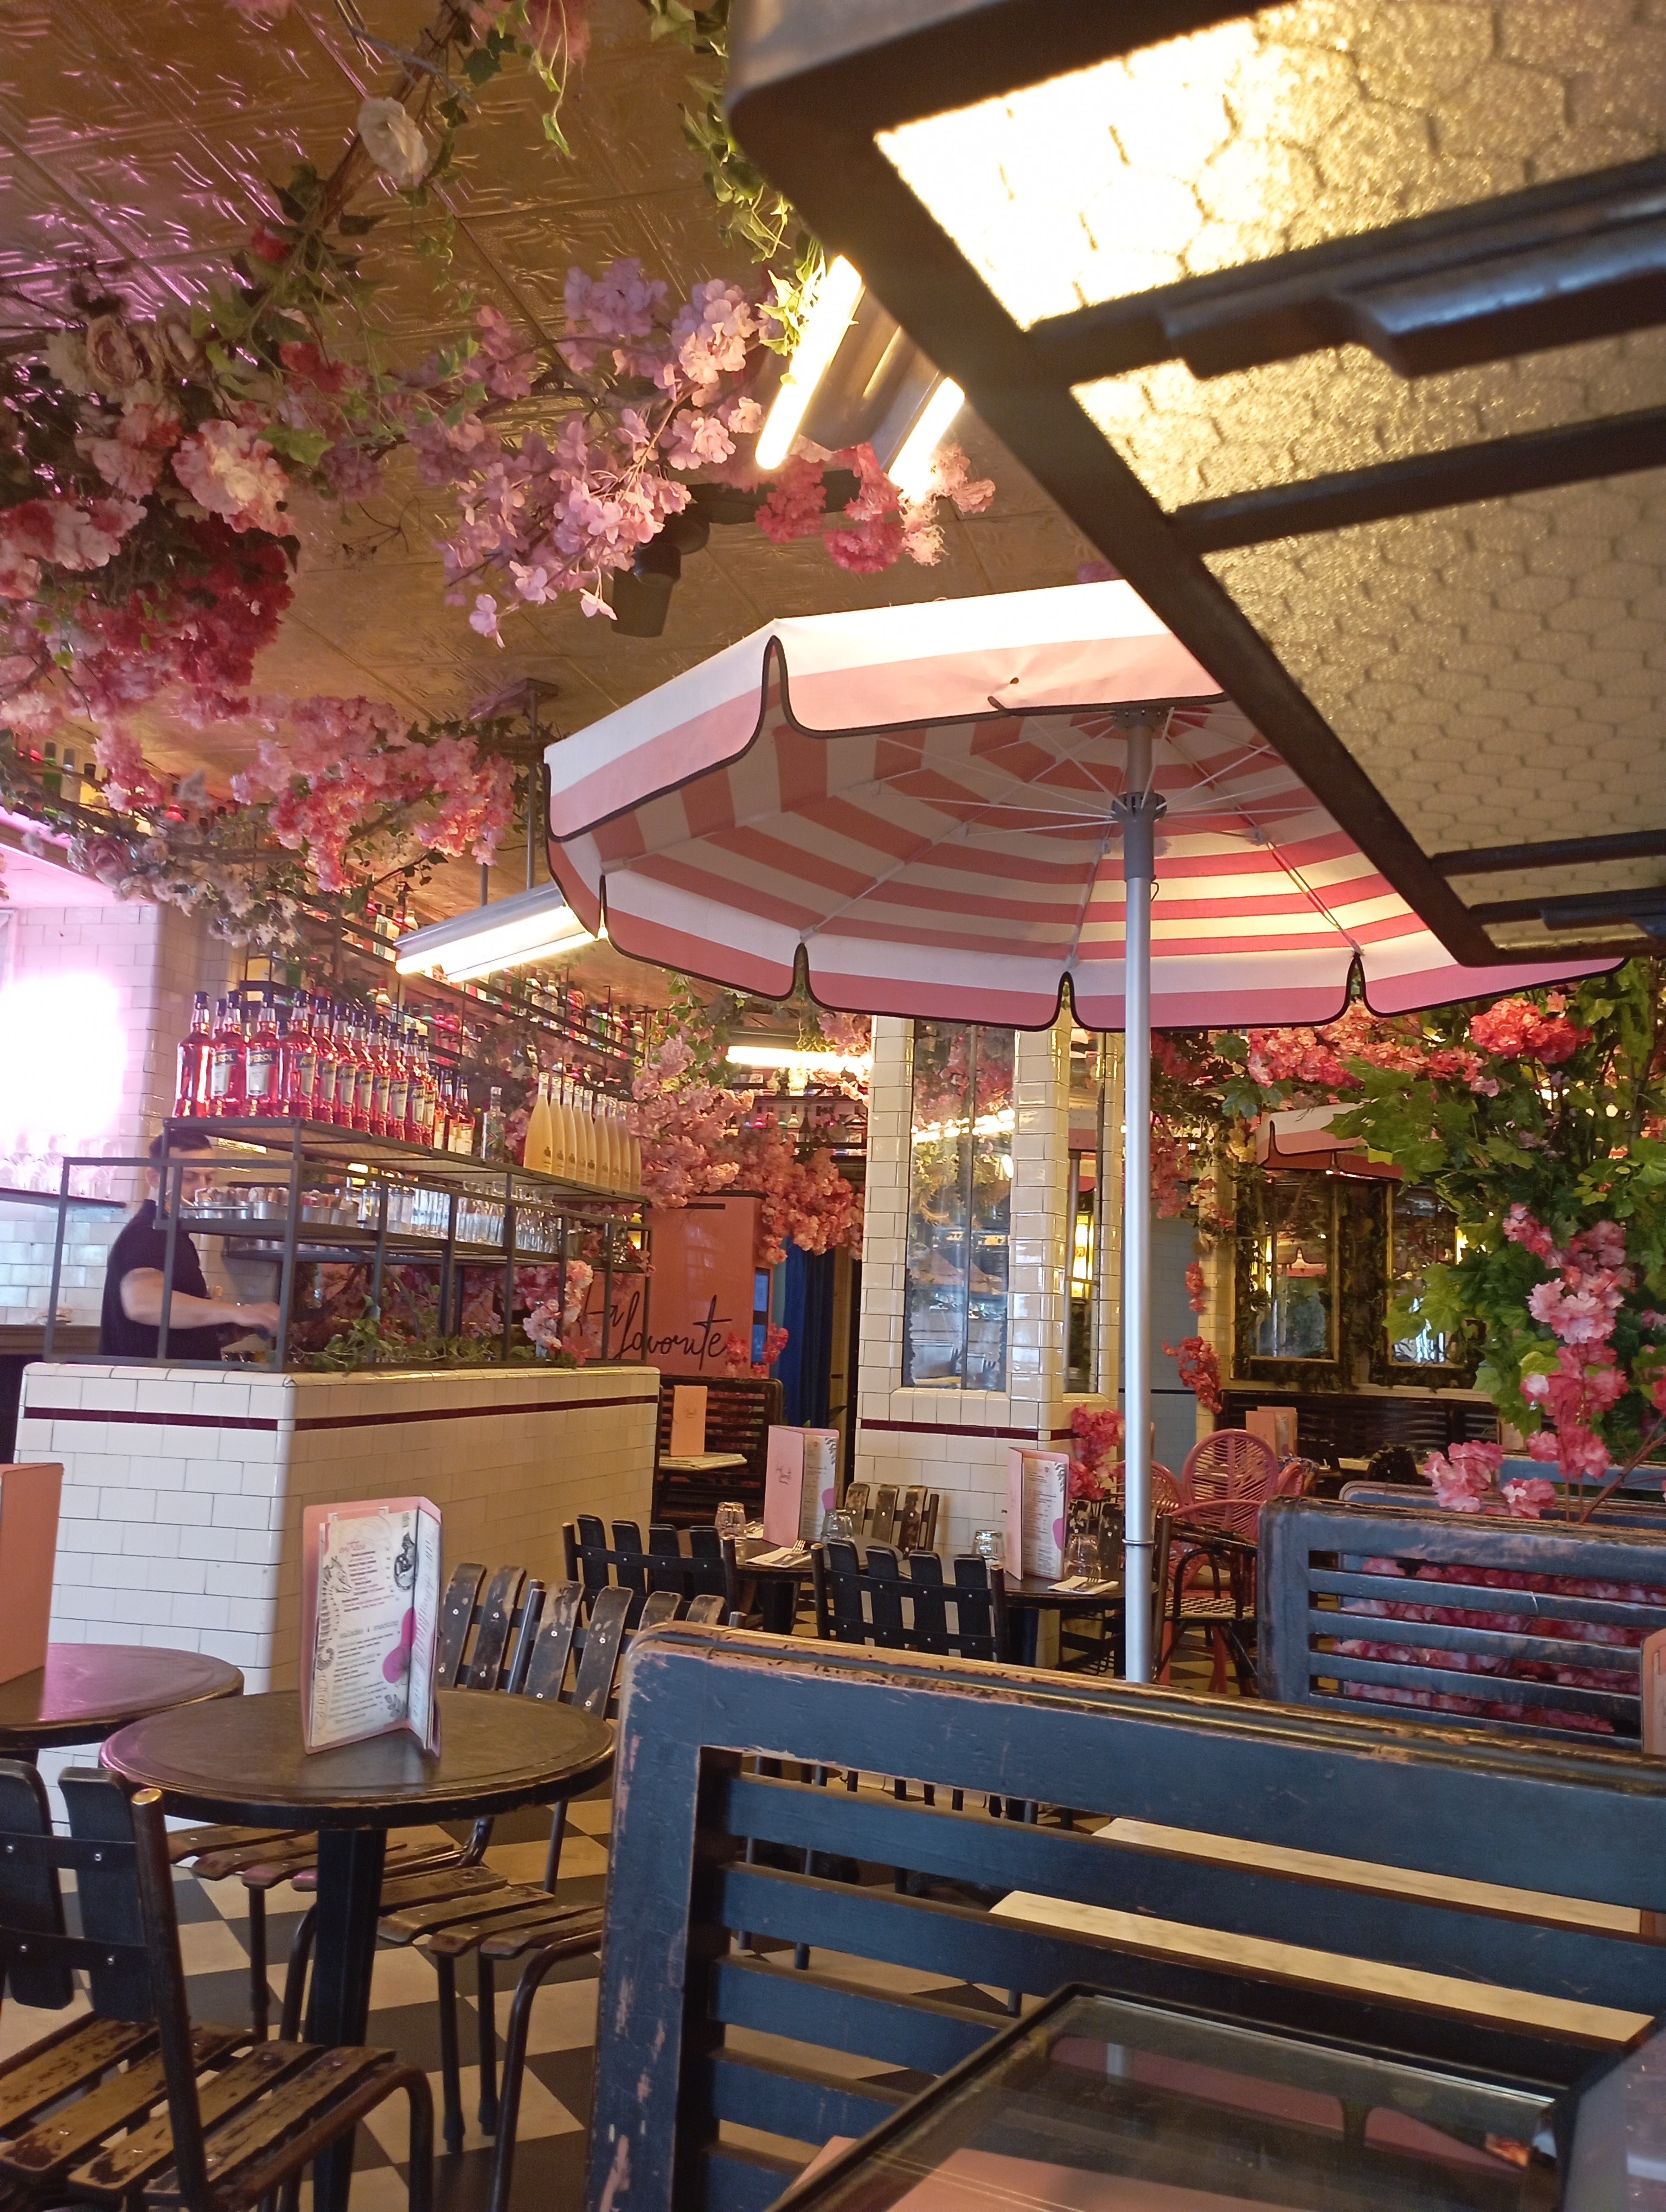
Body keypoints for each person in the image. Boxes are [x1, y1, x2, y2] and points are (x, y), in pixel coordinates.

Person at [100, 1135, 281, 1360]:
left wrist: (222, 1329)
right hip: (153, 1381)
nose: (202, 1190)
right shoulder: (149, 1232)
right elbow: (142, 1303)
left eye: (209, 1178)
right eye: (189, 1178)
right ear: (154, 1178)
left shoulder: (173, 1231)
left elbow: (167, 1329)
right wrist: (238, 1312)